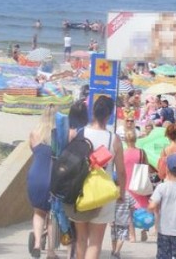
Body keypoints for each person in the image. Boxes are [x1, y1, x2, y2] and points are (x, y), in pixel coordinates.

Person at [64, 96, 126, 259]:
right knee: (96, 243)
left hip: (80, 191)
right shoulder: (114, 140)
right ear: (110, 115)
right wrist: (122, 193)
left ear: (93, 111)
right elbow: (121, 171)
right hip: (102, 194)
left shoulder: (80, 133)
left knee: (81, 239)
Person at [26, 105, 59, 259]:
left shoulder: (34, 133)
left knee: (38, 212)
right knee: (53, 215)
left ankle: (38, 244)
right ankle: (51, 252)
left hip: (36, 175)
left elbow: (33, 150)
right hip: (53, 176)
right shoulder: (60, 135)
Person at [148, 154, 176, 259]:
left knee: (163, 256)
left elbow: (152, 205)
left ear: (167, 169)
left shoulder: (161, 187)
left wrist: (148, 210)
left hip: (163, 230)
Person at [121, 129, 153, 242]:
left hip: (126, 184)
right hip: (139, 183)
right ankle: (144, 229)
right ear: (136, 139)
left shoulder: (122, 153)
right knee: (143, 207)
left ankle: (132, 235)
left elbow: (119, 169)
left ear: (125, 140)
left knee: (130, 210)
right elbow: (147, 167)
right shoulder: (141, 152)